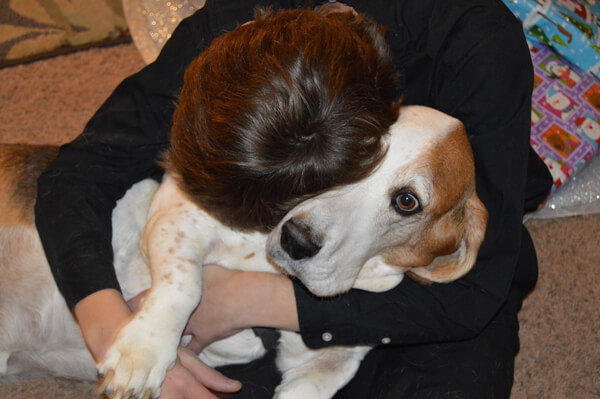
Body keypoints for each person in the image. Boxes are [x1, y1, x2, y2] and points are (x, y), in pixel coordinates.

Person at [34, 1, 553, 399]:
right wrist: (116, 331)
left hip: (410, 291)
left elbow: (477, 287)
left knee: (453, 372)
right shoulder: (231, 31)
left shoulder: (477, 46)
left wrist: (240, 298)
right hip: (231, 270)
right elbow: (80, 171)